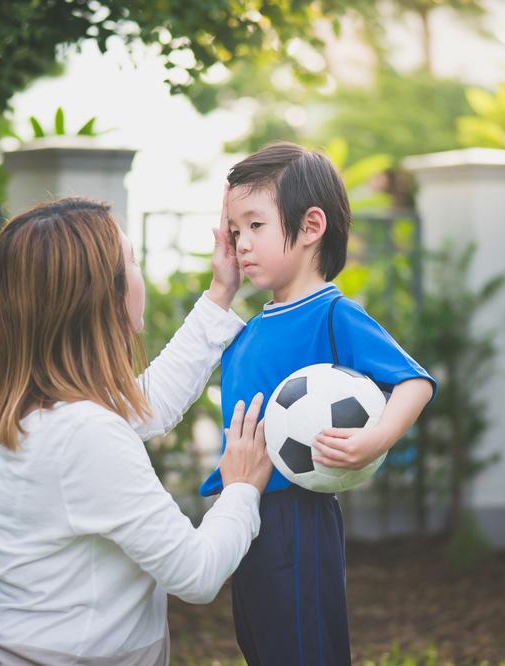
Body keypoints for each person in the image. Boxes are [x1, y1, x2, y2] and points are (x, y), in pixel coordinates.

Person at [0, 196, 273, 665]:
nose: (139, 274)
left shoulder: (42, 409)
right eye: (132, 261)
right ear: (103, 296)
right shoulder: (85, 433)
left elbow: (147, 403)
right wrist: (240, 489)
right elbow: (196, 573)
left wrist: (221, 292)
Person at [198, 143, 438, 665]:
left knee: (304, 652)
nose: (241, 243)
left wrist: (375, 438)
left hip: (297, 517)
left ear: (311, 226)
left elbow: (414, 382)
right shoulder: (247, 330)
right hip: (245, 516)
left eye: (255, 226)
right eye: (234, 231)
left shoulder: (334, 315)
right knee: (260, 647)